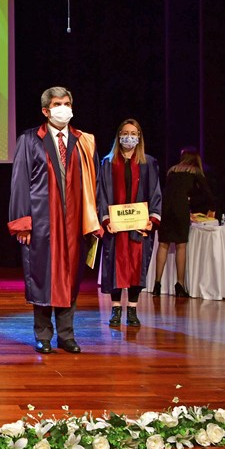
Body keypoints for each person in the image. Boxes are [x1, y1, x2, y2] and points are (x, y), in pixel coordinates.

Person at [8, 87, 102, 354]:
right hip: (42, 221)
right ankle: (43, 335)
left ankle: (66, 335)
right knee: (42, 277)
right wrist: (23, 222)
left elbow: (95, 183)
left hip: (74, 221)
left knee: (70, 277)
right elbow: (20, 182)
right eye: (58, 104)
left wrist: (94, 218)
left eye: (67, 103)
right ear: (46, 111)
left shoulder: (84, 141)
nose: (64, 108)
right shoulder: (29, 140)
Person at [96, 119, 162, 327]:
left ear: (139, 137)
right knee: (115, 266)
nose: (129, 137)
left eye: (133, 133)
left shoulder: (148, 162)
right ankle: (116, 309)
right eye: (125, 133)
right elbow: (101, 194)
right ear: (119, 136)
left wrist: (152, 220)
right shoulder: (108, 163)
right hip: (115, 227)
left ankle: (132, 309)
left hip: (139, 227)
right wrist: (106, 219)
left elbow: (155, 193)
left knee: (136, 266)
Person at [152, 147, 214, 297]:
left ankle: (157, 284)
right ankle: (180, 285)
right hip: (180, 208)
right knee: (181, 245)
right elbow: (207, 193)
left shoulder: (172, 170)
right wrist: (211, 208)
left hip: (165, 207)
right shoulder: (195, 171)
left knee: (163, 244)